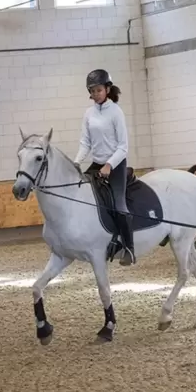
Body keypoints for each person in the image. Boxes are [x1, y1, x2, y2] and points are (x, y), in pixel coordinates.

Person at [73, 69, 135, 266]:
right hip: (97, 163)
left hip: (115, 164)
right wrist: (76, 162)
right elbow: (85, 143)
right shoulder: (88, 113)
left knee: (119, 205)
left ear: (107, 89)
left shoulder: (116, 112)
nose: (95, 94)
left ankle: (129, 249)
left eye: (98, 90)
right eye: (92, 91)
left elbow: (123, 147)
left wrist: (109, 164)